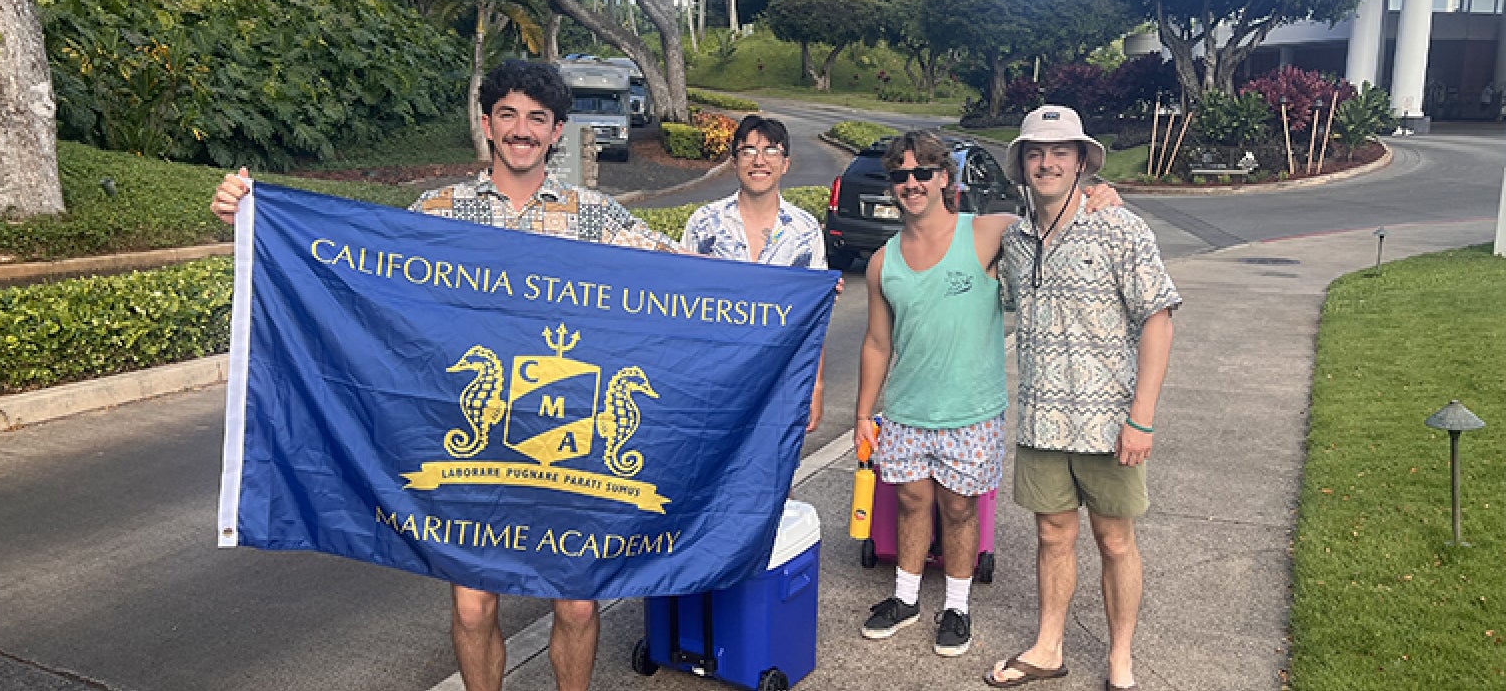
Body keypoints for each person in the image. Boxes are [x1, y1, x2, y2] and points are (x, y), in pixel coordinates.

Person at [212, 59, 675, 691]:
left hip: (568, 450)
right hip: (475, 442)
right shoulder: (437, 210)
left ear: (556, 132)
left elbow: (680, 277)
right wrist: (253, 221)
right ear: (487, 125)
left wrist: (777, 301)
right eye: (507, 115)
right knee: (472, 605)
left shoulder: (594, 217)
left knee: (576, 604)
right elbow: (357, 267)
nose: (521, 130)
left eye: (536, 119)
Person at [852, 131, 1119, 659]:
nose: (912, 183)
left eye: (922, 173)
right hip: (906, 410)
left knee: (958, 509)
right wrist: (864, 413)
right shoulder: (884, 262)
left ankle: (956, 606)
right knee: (910, 503)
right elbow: (877, 344)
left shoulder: (987, 233)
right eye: (901, 176)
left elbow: (1053, 222)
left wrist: (1099, 193)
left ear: (944, 178)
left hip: (971, 411)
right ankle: (905, 599)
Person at [984, 106, 1179, 691]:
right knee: (1052, 534)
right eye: (1036, 153)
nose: (1047, 162)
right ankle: (1049, 647)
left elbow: (1159, 318)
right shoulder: (1014, 240)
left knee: (1115, 539)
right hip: (1042, 420)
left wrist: (1141, 419)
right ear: (1021, 163)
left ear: (1081, 162)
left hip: (1110, 423)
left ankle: (1121, 657)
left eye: (1060, 152)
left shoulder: (1120, 227)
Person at [681, 115, 830, 432]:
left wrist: (815, 385)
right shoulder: (704, 223)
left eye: (771, 151)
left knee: (772, 475)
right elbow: (682, 304)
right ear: (734, 161)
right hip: (712, 379)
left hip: (780, 381)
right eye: (748, 151)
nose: (759, 161)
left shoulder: (805, 232)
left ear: (786, 163)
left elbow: (814, 317)